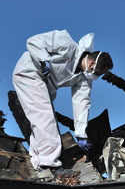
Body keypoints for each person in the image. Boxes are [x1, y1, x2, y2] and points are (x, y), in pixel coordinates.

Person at [12, 30, 113, 170]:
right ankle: (49, 164)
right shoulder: (65, 43)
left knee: (40, 121)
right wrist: (43, 59)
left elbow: (82, 103)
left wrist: (81, 133)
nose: (95, 77)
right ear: (91, 63)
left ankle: (37, 162)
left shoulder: (84, 78)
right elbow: (33, 41)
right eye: (97, 73)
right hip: (30, 73)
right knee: (45, 119)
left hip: (45, 87)